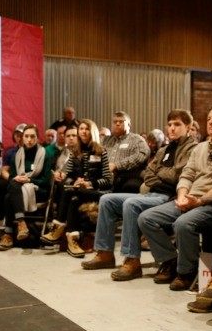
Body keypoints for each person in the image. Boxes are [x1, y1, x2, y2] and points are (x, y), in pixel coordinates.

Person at [138, 105, 212, 291]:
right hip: (190, 199)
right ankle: (170, 261)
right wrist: (182, 196)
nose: (211, 122)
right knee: (147, 218)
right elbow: (187, 175)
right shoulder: (200, 148)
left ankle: (186, 273)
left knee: (183, 224)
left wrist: (199, 201)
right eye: (208, 119)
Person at [81, 110, 196, 279]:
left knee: (131, 204)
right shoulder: (164, 150)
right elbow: (147, 174)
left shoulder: (192, 148)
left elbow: (178, 176)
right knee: (106, 199)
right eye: (170, 124)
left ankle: (132, 260)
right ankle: (105, 253)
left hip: (169, 196)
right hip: (152, 192)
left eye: (177, 125)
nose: (172, 128)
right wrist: (160, 176)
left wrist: (159, 174)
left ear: (188, 127)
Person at [42, 119, 113, 258]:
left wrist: (89, 183)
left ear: (92, 131)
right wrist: (64, 177)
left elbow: (108, 180)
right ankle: (72, 241)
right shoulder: (75, 152)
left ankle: (58, 227)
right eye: (81, 128)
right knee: (73, 197)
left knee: (70, 191)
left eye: (87, 128)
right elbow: (66, 174)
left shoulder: (101, 151)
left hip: (97, 192)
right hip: (78, 191)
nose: (83, 131)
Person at [0, 125, 57, 250]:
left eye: (32, 136)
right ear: (22, 138)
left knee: (10, 195)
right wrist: (18, 179)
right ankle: (21, 223)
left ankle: (8, 233)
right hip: (19, 189)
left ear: (37, 138)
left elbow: (46, 181)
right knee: (11, 190)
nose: (29, 139)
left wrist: (29, 179)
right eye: (26, 136)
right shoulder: (17, 155)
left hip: (38, 190)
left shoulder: (45, 154)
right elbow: (13, 176)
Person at [101, 111, 150, 193]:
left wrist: (117, 165)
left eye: (121, 121)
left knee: (130, 186)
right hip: (105, 176)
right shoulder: (105, 140)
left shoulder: (137, 139)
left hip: (128, 176)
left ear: (129, 125)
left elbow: (141, 155)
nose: (117, 124)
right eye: (115, 122)